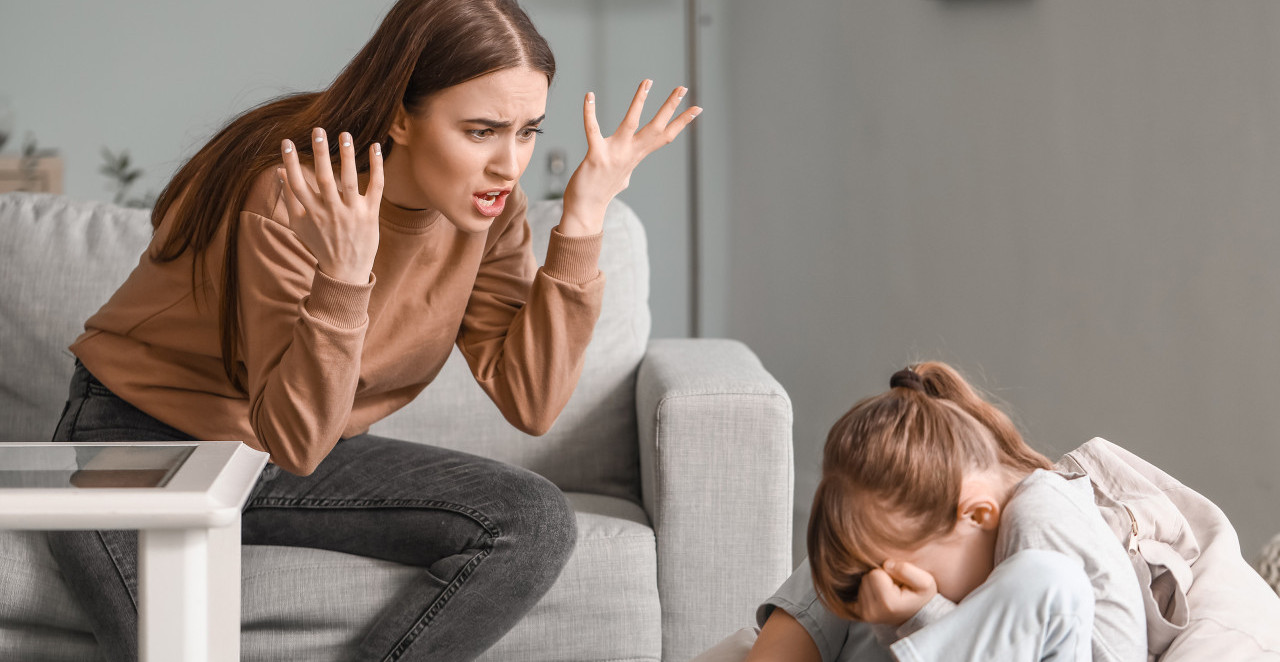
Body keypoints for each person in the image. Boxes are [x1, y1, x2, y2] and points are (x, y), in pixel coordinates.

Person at [47, 0, 701, 660]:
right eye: (481, 131)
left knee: (531, 519)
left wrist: (584, 219)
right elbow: (297, 439)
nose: (510, 164)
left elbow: (532, 400)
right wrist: (344, 276)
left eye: (527, 130)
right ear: (400, 117)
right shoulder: (289, 196)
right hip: (143, 444)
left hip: (282, 449)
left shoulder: (491, 214)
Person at [746, 362, 1147, 662]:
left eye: (900, 577)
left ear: (977, 515)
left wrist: (921, 614)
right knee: (853, 538)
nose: (885, 589)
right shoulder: (970, 512)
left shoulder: (1038, 526)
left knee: (1048, 580)